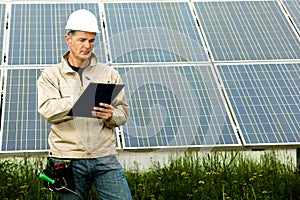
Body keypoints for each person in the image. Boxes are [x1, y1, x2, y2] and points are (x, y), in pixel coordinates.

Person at [37, 9, 132, 200]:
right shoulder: (50, 75)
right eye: (82, 40)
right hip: (67, 158)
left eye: (91, 41)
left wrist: (112, 115)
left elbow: (123, 111)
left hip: (104, 156)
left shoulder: (109, 74)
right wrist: (79, 101)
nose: (87, 46)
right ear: (68, 39)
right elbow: (48, 111)